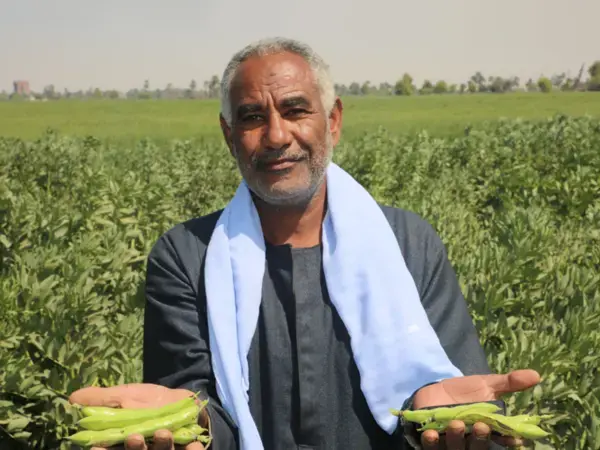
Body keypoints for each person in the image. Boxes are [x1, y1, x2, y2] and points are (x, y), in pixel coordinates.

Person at [69, 37, 541, 450]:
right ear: (229, 136)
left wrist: (432, 415)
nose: (277, 135)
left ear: (333, 121)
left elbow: (451, 391)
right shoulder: (187, 255)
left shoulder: (408, 243)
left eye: (295, 110)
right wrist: (191, 422)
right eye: (252, 117)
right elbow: (193, 404)